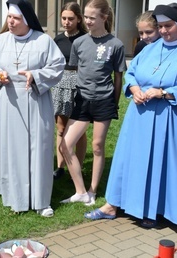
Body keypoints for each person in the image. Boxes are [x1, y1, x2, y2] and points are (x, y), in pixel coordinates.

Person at [83, 3, 177, 229]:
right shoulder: (149, 48)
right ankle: (113, 204)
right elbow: (133, 72)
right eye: (161, 26)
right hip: (140, 115)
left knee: (163, 162)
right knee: (129, 160)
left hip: (170, 116)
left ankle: (155, 209)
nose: (164, 31)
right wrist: (135, 88)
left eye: (169, 26)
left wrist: (164, 92)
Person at [0, 0, 65, 217]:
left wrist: (35, 75)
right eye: (9, 17)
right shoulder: (0, 41)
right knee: (12, 148)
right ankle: (14, 195)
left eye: (16, 18)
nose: (10, 21)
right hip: (9, 101)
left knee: (40, 149)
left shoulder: (43, 41)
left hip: (36, 99)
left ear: (26, 20)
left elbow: (57, 66)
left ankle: (41, 200)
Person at [59, 0, 126, 206]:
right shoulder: (79, 43)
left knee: (97, 146)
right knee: (65, 144)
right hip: (82, 100)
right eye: (86, 17)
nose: (87, 21)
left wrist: (114, 103)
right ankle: (80, 191)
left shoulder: (116, 45)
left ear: (104, 18)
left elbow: (117, 78)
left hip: (104, 101)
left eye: (91, 17)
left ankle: (93, 190)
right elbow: (76, 71)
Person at [51, 2, 88, 180]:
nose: (66, 22)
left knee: (79, 129)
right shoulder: (58, 39)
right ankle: (60, 166)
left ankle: (78, 166)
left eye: (70, 19)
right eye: (64, 18)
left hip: (78, 84)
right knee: (61, 127)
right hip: (59, 84)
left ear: (79, 19)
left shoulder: (85, 39)